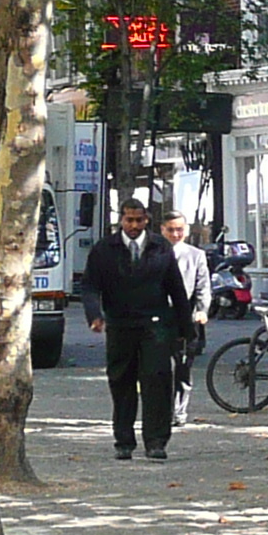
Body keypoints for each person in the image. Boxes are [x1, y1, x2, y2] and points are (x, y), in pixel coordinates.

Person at [79, 197, 185, 461]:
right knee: (121, 382)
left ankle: (156, 442)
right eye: (129, 220)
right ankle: (124, 441)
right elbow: (90, 285)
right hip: (120, 324)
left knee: (157, 382)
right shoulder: (105, 249)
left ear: (147, 219)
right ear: (121, 220)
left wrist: (184, 329)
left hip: (155, 326)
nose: (134, 226)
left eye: (139, 220)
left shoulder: (160, 247)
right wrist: (95, 315)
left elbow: (176, 288)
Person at [161, 211, 213, 426]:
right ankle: (159, 409)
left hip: (186, 318)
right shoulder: (152, 253)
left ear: (187, 230)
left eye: (179, 230)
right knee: (157, 367)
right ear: (162, 230)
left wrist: (202, 310)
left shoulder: (196, 255)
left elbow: (203, 286)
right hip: (159, 317)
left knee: (183, 366)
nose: (175, 234)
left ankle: (179, 411)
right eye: (171, 230)